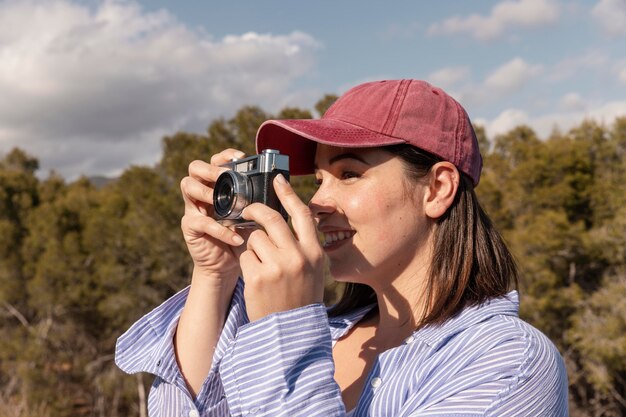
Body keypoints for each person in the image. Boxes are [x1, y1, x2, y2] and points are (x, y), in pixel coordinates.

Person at [115, 79, 569, 416]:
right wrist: (215, 275)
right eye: (318, 179)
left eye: (349, 173)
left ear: (437, 188)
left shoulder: (507, 363)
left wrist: (286, 327)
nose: (316, 202)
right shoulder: (325, 333)